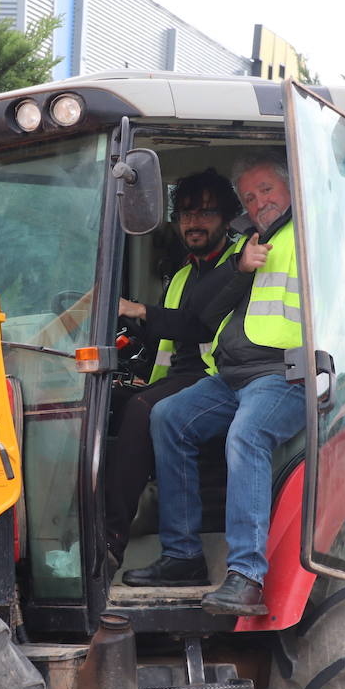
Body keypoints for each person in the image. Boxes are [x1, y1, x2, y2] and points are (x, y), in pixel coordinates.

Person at [123, 150, 306, 617]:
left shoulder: (309, 237)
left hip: (284, 374)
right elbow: (201, 315)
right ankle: (183, 556)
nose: (259, 200)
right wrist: (238, 267)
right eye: (250, 195)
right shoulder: (249, 244)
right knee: (167, 417)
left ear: (291, 188)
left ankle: (245, 575)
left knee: (248, 434)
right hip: (232, 377)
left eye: (267, 190)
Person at [105, 169, 241, 566]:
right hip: (181, 378)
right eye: (184, 214)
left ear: (228, 218)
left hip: (221, 379)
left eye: (204, 213)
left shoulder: (238, 267)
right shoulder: (182, 273)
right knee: (103, 402)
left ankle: (111, 541)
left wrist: (141, 310)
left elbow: (199, 322)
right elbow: (168, 338)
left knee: (144, 409)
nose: (192, 223)